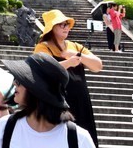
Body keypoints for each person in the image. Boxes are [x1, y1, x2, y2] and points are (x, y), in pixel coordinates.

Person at [0, 53, 95, 148]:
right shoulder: (5, 127)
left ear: (37, 90)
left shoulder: (78, 138)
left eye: (20, 80)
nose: (15, 83)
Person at [32, 10, 102, 146]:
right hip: (58, 102)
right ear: (52, 28)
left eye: (67, 24)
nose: (66, 27)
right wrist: (68, 62)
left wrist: (78, 56)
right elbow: (43, 69)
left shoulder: (75, 46)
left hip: (81, 102)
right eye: (61, 25)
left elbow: (98, 66)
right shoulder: (43, 47)